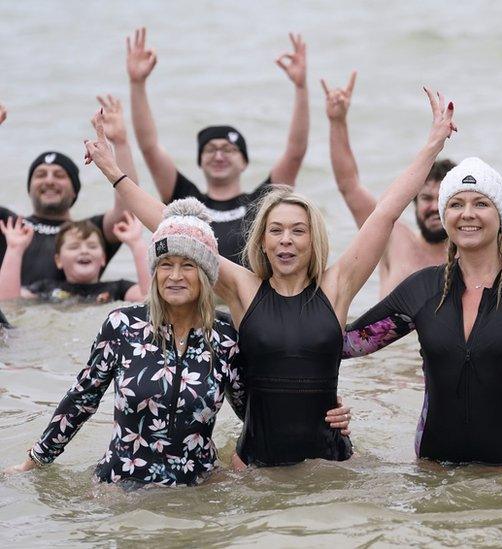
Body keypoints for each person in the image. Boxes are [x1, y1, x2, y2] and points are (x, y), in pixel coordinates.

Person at [89, 87, 455, 467]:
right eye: (276, 230)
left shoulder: (336, 286)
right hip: (255, 468)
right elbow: (172, 228)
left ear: (313, 240)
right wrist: (114, 173)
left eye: (298, 231)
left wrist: (433, 145)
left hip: (330, 465)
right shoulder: (243, 289)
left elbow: (386, 213)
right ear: (261, 241)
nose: (286, 240)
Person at [343, 157, 502, 468]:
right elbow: (347, 344)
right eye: (456, 204)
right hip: (437, 468)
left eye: (481, 204)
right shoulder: (422, 289)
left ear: (500, 214)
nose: (468, 214)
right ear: (445, 215)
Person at [4, 199, 244, 487]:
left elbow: (252, 413)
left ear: (206, 274)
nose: (175, 276)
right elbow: (81, 399)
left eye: (188, 265)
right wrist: (35, 461)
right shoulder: (123, 325)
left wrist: (247, 468)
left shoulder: (226, 335)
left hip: (199, 489)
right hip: (121, 487)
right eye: (165, 264)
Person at [126, 28, 310, 263]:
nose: (219, 155)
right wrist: (137, 84)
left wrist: (301, 88)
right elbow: (149, 148)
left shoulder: (261, 203)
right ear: (200, 162)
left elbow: (295, 153)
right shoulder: (185, 201)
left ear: (244, 162)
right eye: (210, 150)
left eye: (229, 149)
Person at [323, 71, 457, 296]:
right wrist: (337, 121)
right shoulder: (394, 240)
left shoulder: (471, 252)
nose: (433, 206)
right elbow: (349, 186)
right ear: (413, 201)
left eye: (442, 198)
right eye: (426, 198)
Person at [0, 97, 137, 286]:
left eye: (59, 175)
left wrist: (120, 143)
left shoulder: (89, 234)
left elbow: (128, 213)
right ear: (29, 188)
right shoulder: (9, 227)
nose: (49, 180)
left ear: (75, 190)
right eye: (40, 174)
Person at [0, 213, 150, 303]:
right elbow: (10, 302)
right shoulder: (45, 288)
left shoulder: (118, 289)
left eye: (92, 246)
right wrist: (14, 249)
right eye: (74, 247)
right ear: (58, 260)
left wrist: (137, 245)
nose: (84, 251)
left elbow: (149, 297)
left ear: (103, 258)